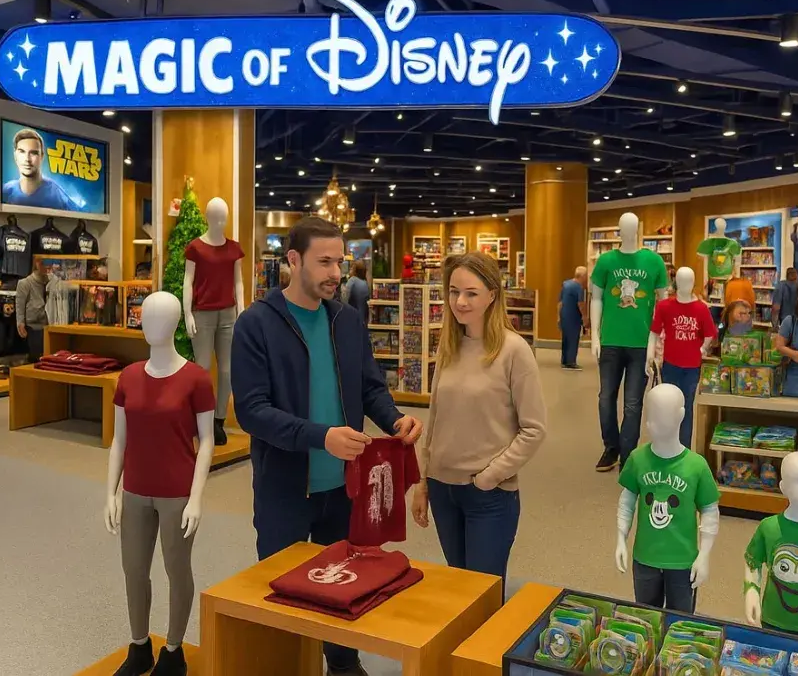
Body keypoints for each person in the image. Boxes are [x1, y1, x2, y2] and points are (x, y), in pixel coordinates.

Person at [231, 217, 423, 676]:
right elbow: (252, 411)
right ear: (293, 260)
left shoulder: (346, 320)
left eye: (340, 261)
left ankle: (343, 664)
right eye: (324, 262)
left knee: (346, 588)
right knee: (284, 596)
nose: (336, 272)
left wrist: (394, 419)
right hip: (284, 491)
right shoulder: (256, 324)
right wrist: (322, 436)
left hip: (344, 488)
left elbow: (370, 387)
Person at [411, 252, 546, 584]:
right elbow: (436, 419)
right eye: (454, 291)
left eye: (471, 293)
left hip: (488, 494)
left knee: (483, 593)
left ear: (492, 295)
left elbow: (534, 429)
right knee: (458, 589)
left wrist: (490, 476)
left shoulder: (514, 351)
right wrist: (423, 482)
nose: (460, 301)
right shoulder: (448, 346)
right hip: (443, 490)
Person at [2, 128, 79, 211]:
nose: (27, 159)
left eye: (34, 153)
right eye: (22, 152)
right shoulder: (5, 191)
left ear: (42, 156)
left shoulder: (56, 193)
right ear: (15, 155)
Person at [15, 259, 49, 362]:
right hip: (33, 326)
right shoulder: (25, 283)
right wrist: (20, 323)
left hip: (48, 325)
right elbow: (20, 304)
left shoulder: (49, 282)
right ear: (37, 264)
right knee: (36, 357)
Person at [558, 266, 587, 370]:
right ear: (582, 276)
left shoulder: (565, 284)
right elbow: (580, 304)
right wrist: (585, 317)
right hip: (573, 316)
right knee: (573, 339)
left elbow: (560, 302)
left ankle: (564, 360)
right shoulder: (579, 287)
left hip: (564, 315)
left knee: (565, 338)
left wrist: (558, 317)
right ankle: (571, 362)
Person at [340, 259, 371, 326]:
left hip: (352, 319)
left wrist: (342, 288)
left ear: (355, 270)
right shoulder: (365, 283)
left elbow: (344, 299)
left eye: (351, 268)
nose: (349, 270)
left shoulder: (352, 280)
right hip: (363, 320)